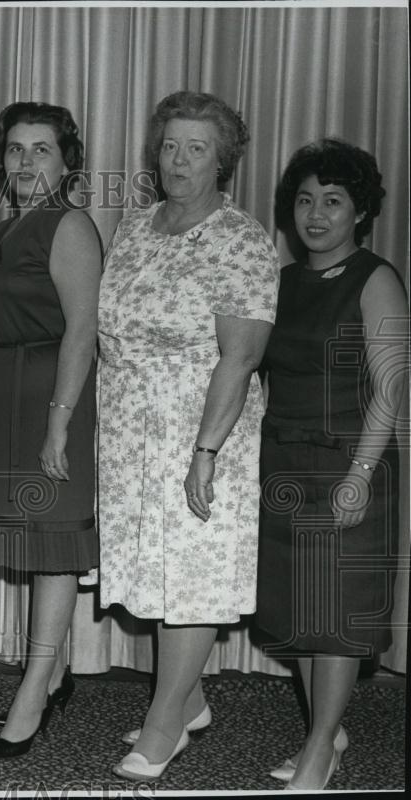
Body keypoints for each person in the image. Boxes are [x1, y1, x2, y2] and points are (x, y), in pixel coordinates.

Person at [96, 90, 280, 781]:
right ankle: (188, 698)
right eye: (170, 145)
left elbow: (241, 357)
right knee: (155, 577)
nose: (179, 160)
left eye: (196, 148)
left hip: (201, 430)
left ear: (222, 160)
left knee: (191, 579)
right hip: (127, 431)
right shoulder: (135, 226)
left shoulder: (241, 240)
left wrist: (206, 451)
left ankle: (165, 724)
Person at [257, 139, 407, 791]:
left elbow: (391, 387)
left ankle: (319, 748)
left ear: (361, 213)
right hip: (283, 463)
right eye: (306, 199)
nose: (316, 214)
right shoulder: (280, 282)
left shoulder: (375, 278)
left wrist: (360, 476)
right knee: (298, 612)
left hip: (349, 464)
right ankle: (328, 728)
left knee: (337, 617)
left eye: (334, 201)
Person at [0, 102, 101, 759]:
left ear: (66, 160)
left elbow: (83, 329)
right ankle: (52, 672)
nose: (26, 162)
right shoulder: (7, 229)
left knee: (54, 549)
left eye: (42, 149)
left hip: (56, 402)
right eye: (16, 150)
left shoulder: (69, 225)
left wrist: (58, 425)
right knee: (31, 542)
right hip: (10, 401)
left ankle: (33, 689)